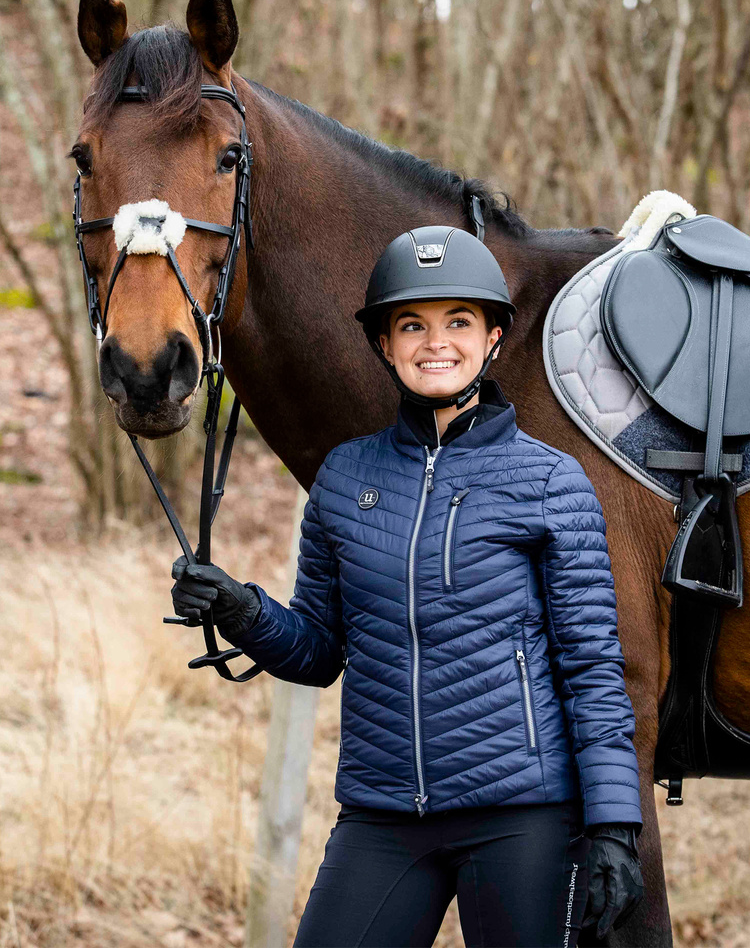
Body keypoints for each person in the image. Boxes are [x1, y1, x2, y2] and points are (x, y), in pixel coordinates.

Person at [171, 224, 645, 947]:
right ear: (384, 345)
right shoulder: (345, 478)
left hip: (524, 814)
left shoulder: (551, 482)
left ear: (491, 338)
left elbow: (592, 671)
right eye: (412, 325)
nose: (436, 342)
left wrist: (614, 827)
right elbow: (318, 651)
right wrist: (240, 608)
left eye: (459, 321)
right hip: (383, 814)